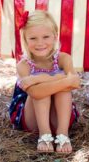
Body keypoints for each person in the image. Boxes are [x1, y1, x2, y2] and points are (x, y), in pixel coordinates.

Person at [8, 9, 80, 154]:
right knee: (43, 91)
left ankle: (62, 133)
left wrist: (38, 78)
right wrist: (62, 79)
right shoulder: (24, 65)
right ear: (25, 40)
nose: (40, 43)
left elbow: (75, 82)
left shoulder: (64, 58)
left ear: (55, 36)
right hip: (33, 120)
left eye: (46, 36)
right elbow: (35, 92)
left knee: (62, 90)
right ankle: (44, 134)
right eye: (33, 38)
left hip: (60, 118)